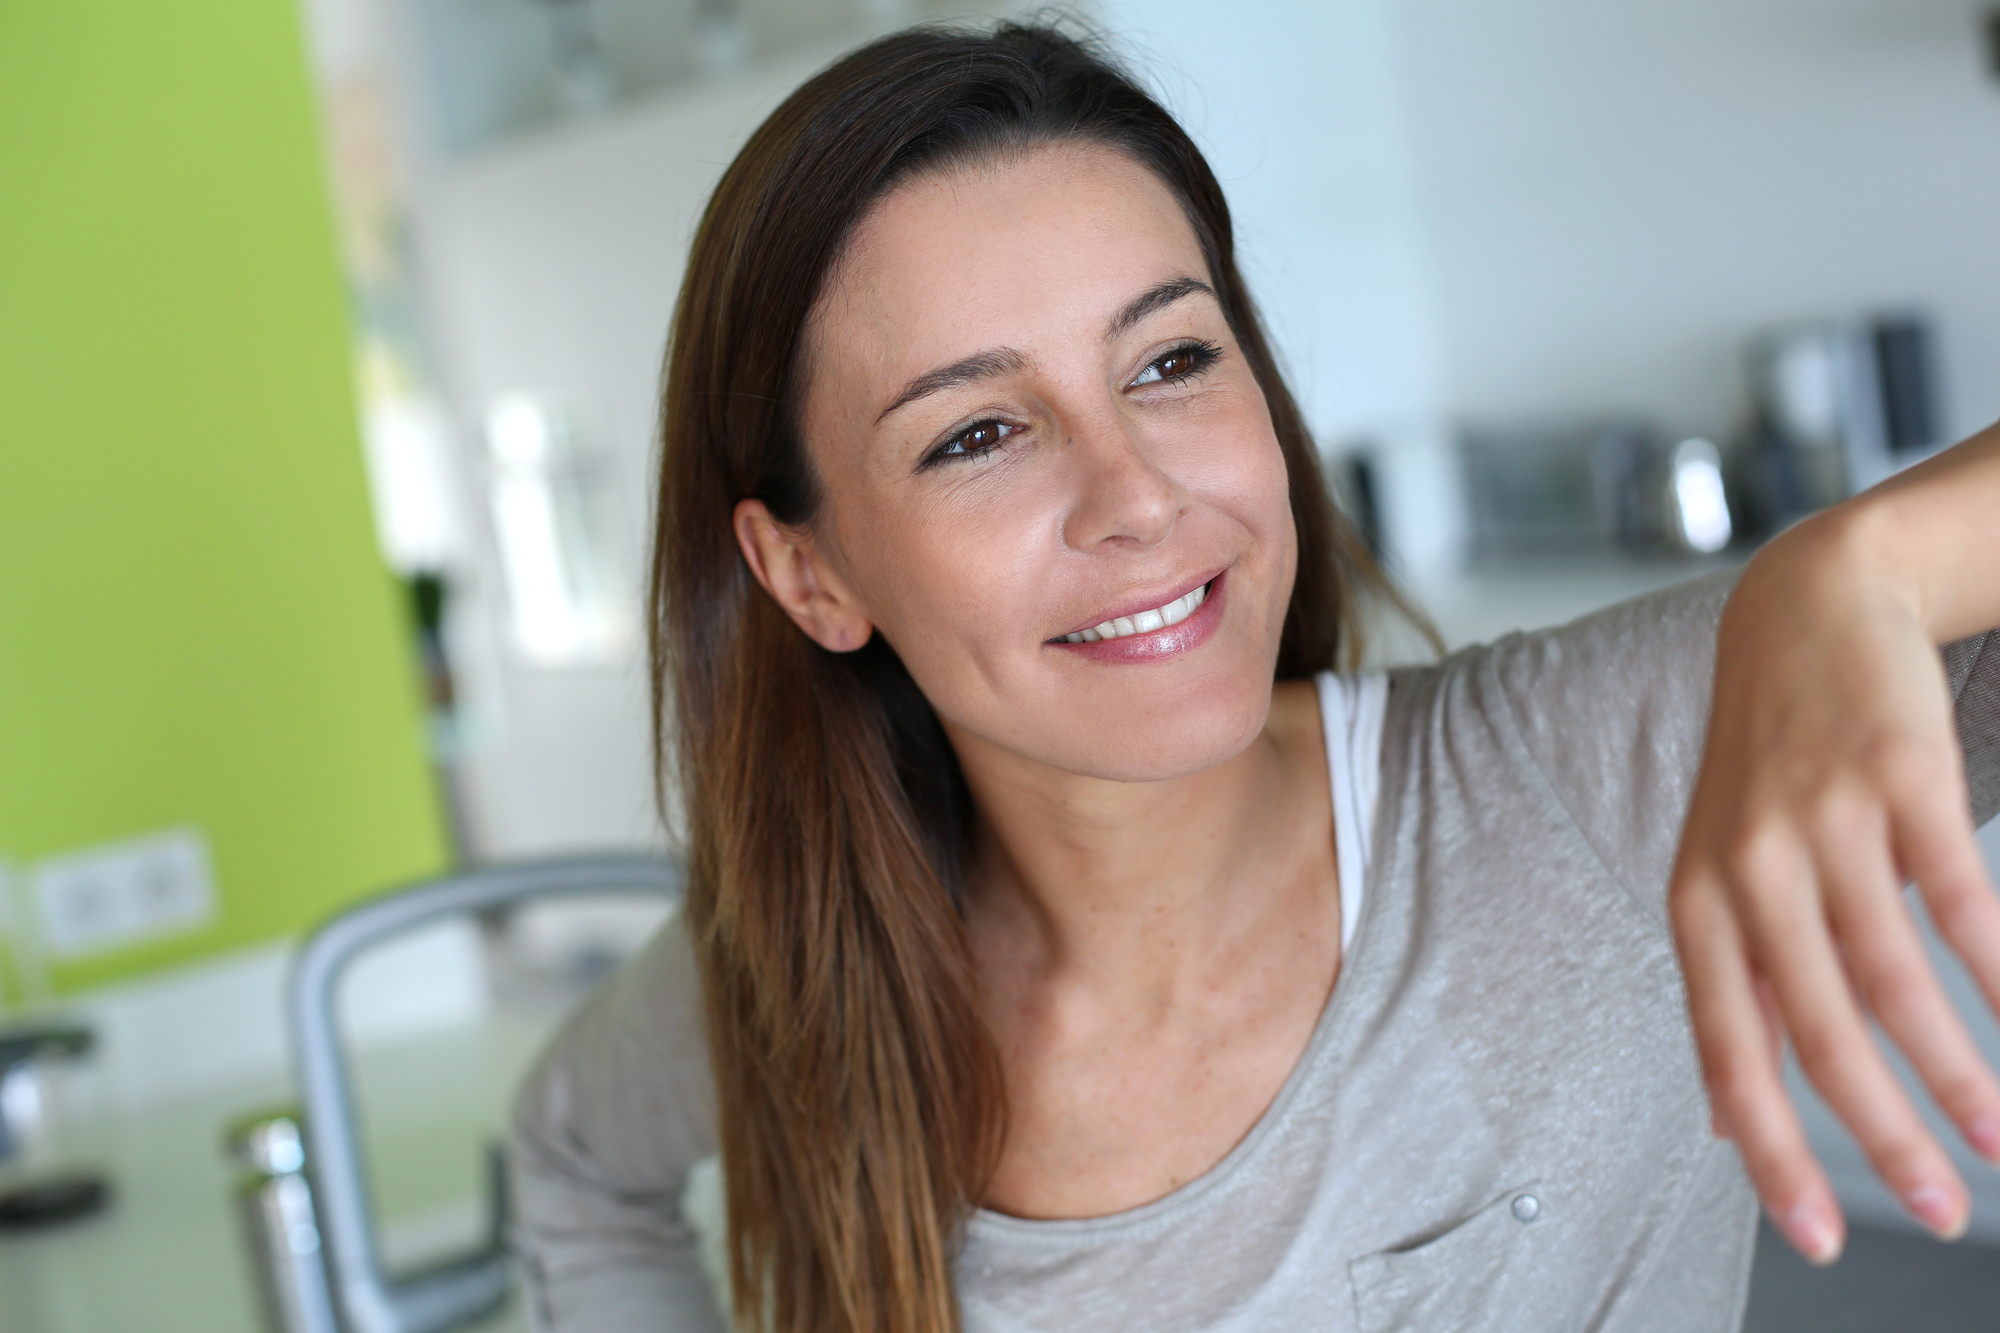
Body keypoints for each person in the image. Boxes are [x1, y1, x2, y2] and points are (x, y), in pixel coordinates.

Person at [507, 22, 2000, 1333]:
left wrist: (1850, 569)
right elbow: (573, 1166)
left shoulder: (1588, 770)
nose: (1139, 495)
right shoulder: (805, 958)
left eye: (1168, 362)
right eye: (978, 434)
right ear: (808, 575)